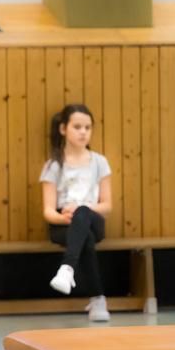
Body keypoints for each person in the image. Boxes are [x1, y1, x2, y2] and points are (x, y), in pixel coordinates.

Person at [39, 104, 112, 322]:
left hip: (93, 218)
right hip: (64, 223)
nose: (83, 132)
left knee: (83, 214)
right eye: (77, 127)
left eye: (87, 127)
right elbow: (48, 211)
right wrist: (63, 217)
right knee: (84, 236)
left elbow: (107, 206)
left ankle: (67, 267)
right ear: (63, 129)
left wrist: (83, 210)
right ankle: (98, 300)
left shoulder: (100, 162)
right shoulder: (54, 165)